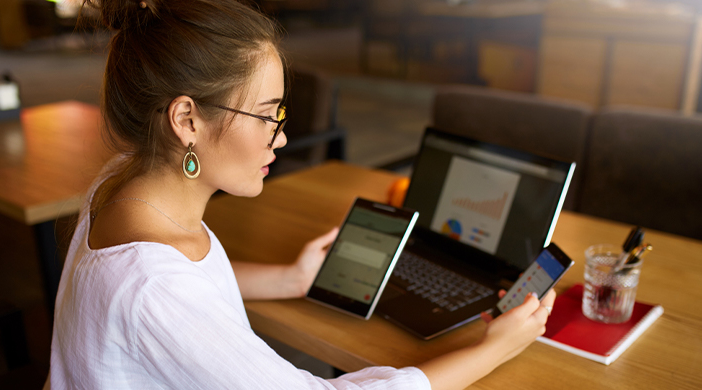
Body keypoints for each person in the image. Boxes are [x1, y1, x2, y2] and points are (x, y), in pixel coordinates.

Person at [48, 0, 556, 389]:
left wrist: (291, 278)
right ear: (187, 120)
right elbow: (163, 294)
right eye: (267, 115)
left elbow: (186, 284)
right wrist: (495, 347)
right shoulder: (153, 289)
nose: (282, 136)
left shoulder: (124, 183)